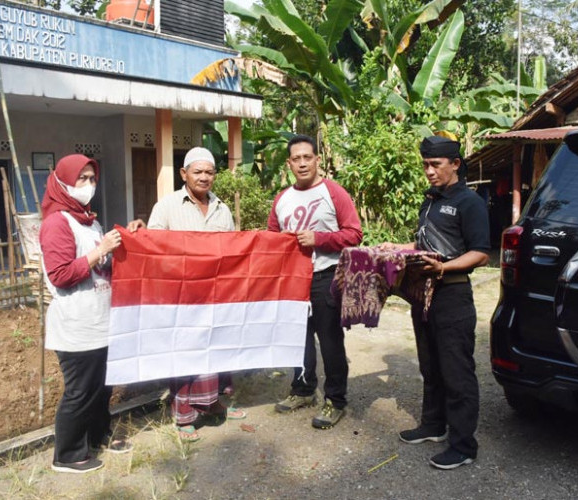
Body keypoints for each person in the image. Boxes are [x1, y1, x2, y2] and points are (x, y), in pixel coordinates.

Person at [381, 135, 490, 470]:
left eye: (435, 165)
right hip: (422, 295)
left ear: (455, 164)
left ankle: (463, 445)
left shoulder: (469, 202)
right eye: (425, 165)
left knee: (457, 371)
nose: (428, 171)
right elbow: (422, 244)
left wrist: (444, 267)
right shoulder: (429, 201)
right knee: (430, 365)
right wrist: (395, 248)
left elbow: (482, 253)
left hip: (452, 295)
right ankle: (433, 426)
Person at [127, 146, 246, 442]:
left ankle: (213, 402)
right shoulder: (167, 207)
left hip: (217, 294)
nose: (204, 177)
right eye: (198, 171)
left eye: (209, 172)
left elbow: (232, 250)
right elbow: (153, 248)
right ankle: (184, 416)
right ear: (184, 174)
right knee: (185, 354)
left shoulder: (222, 208)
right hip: (181, 297)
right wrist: (139, 234)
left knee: (217, 351)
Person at [40, 154, 133, 474]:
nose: (89, 185)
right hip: (76, 324)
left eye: (93, 179)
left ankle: (98, 435)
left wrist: (124, 241)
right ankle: (67, 455)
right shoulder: (57, 223)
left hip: (100, 320)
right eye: (82, 179)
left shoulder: (89, 221)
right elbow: (60, 275)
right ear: (64, 182)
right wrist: (101, 250)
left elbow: (102, 265)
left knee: (101, 386)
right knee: (80, 391)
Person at [268, 134, 362, 429]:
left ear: (317, 160)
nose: (302, 163)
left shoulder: (334, 193)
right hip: (293, 281)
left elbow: (355, 234)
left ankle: (335, 400)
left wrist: (319, 239)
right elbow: (271, 238)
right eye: (296, 159)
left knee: (330, 341)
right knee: (298, 338)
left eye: (308, 157)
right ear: (289, 163)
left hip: (326, 276)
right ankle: (303, 390)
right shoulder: (282, 199)